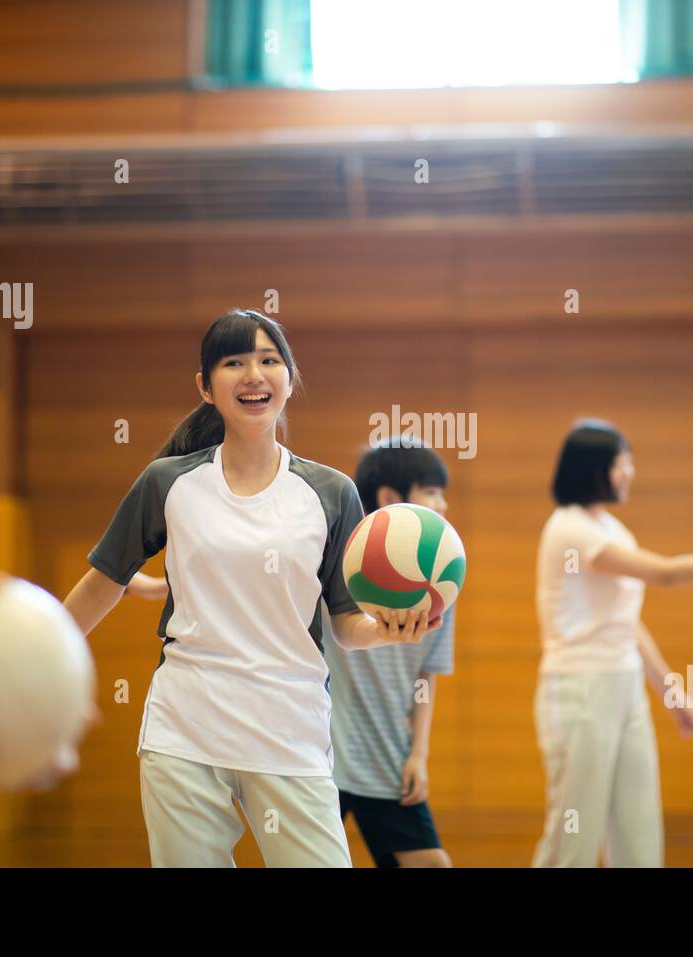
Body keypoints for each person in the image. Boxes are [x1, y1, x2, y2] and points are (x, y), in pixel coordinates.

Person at [62, 308, 436, 868]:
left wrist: (386, 630)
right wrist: (38, 658)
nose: (253, 375)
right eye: (234, 362)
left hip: (290, 733)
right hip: (185, 732)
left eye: (268, 360)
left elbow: (345, 625)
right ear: (205, 387)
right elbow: (101, 585)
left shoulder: (331, 493)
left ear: (289, 377)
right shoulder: (169, 482)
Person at [532, 418, 693, 867]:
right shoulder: (569, 529)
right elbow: (667, 574)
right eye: (622, 464)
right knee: (573, 837)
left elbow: (627, 624)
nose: (630, 473)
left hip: (626, 685)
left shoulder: (613, 529)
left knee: (639, 834)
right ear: (594, 469)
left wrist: (673, 694)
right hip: (580, 688)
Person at [324, 438, 456, 867]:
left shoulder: (441, 584)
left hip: (386, 759)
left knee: (431, 863)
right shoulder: (339, 560)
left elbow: (425, 677)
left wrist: (418, 754)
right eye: (432, 492)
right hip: (321, 755)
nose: (443, 505)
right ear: (389, 498)